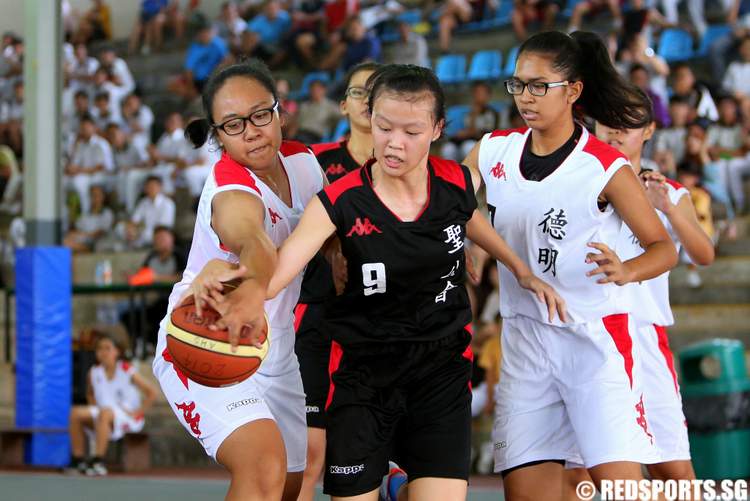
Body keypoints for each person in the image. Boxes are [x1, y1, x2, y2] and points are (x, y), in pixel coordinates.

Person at [200, 63, 564, 501]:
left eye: (411, 132)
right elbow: (273, 274)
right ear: (368, 118)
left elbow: (470, 216)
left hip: (440, 373)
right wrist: (227, 272)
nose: (395, 143)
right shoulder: (337, 200)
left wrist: (519, 268)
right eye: (385, 127)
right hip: (364, 377)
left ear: (437, 129)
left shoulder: (455, 182)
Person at [462, 30, 678, 500]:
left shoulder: (604, 167)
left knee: (622, 491)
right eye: (518, 85)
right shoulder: (494, 148)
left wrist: (628, 269)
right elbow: (452, 199)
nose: (526, 97)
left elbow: (663, 247)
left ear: (573, 90)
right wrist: (474, 240)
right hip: (524, 343)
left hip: (594, 342)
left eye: (540, 86)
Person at [151, 59, 325, 500]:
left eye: (260, 115)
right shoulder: (229, 186)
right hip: (205, 337)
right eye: (232, 125)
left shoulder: (304, 165)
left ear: (279, 110)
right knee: (263, 464)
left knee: (288, 484)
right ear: (217, 135)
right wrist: (250, 289)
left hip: (274, 350)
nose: (250, 131)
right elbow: (254, 241)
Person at [564, 88, 714, 498]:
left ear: (648, 130)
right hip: (588, 334)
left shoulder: (668, 191)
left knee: (675, 472)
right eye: (607, 119)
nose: (615, 130)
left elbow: (703, 253)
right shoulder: (571, 184)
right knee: (580, 475)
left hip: (643, 335)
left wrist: (666, 208)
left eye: (627, 122)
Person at [294, 61, 379, 501]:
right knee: (309, 455)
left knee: (364, 465)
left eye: (376, 91)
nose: (367, 99)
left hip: (382, 327)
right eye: (359, 92)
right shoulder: (314, 162)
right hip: (319, 321)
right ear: (343, 104)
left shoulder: (405, 166)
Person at [66, 334, 157, 476]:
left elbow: (152, 392)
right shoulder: (93, 372)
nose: (103, 352)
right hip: (105, 413)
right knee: (75, 413)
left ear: (116, 352)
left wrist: (138, 412)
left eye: (107, 348)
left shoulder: (126, 369)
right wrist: (93, 406)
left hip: (127, 416)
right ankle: (78, 459)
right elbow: (90, 393)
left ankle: (98, 461)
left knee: (105, 413)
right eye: (100, 348)